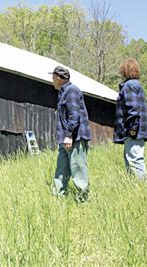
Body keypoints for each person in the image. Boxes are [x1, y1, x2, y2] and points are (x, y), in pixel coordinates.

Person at [50, 65, 92, 202]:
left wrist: (69, 136)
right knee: (61, 169)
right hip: (65, 139)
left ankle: (83, 199)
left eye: (53, 77)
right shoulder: (63, 92)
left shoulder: (71, 91)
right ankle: (58, 197)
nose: (51, 80)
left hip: (75, 138)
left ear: (58, 78)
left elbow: (74, 116)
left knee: (78, 169)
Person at [113, 59, 147, 181]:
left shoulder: (129, 86)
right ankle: (134, 186)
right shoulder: (136, 85)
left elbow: (133, 109)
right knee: (131, 159)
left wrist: (132, 129)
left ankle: (144, 187)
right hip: (137, 129)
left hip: (133, 130)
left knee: (135, 160)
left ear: (124, 71)